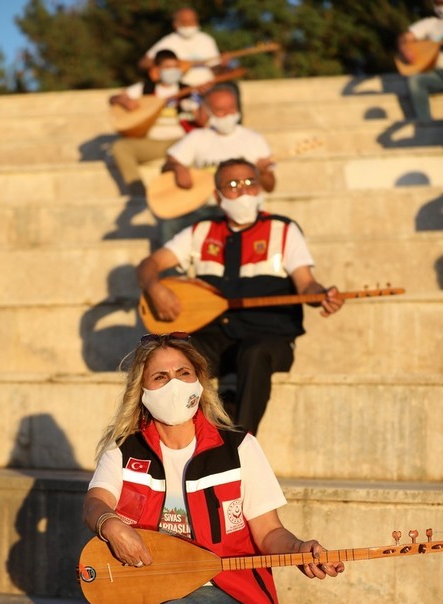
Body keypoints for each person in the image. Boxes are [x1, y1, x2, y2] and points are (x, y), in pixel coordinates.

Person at [81, 332, 344, 604]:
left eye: (183, 372)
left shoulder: (238, 447)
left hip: (228, 596)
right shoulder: (124, 449)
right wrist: (110, 524)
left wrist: (300, 548)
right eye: (160, 377)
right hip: (141, 589)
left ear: (200, 381)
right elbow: (95, 502)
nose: (174, 384)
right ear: (142, 390)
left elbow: (269, 532)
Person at [137, 158, 344, 436]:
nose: (244, 191)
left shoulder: (283, 229)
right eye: (233, 185)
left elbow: (307, 284)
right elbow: (149, 264)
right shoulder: (202, 230)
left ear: (260, 188)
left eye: (250, 182)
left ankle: (243, 443)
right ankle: (166, 438)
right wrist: (154, 287)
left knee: (254, 353)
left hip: (269, 338)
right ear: (217, 196)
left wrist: (322, 296)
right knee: (173, 354)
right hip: (215, 337)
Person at [156, 83, 275, 242]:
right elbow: (168, 163)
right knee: (170, 226)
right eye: (220, 110)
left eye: (231, 108)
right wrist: (177, 168)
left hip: (243, 208)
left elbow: (270, 187)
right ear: (208, 111)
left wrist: (264, 172)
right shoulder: (197, 137)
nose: (228, 114)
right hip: (203, 208)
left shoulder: (254, 139)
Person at [109, 49, 202, 197]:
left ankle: (187, 195)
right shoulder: (144, 88)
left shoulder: (188, 90)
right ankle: (138, 194)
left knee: (193, 151)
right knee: (120, 147)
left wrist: (201, 103)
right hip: (151, 142)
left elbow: (201, 120)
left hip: (180, 141)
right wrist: (124, 101)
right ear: (157, 69)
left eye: (175, 67)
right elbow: (113, 99)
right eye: (167, 67)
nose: (172, 71)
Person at [138, 7, 228, 88]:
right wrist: (171, 65)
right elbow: (144, 63)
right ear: (175, 24)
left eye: (192, 21)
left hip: (206, 89)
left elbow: (215, 69)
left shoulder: (207, 40)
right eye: (185, 22)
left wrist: (223, 64)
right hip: (181, 91)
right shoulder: (168, 42)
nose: (189, 25)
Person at [397, 2, 443, 123]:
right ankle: (425, 125)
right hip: (438, 75)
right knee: (416, 81)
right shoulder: (431, 23)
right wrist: (405, 49)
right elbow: (404, 38)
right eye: (438, 3)